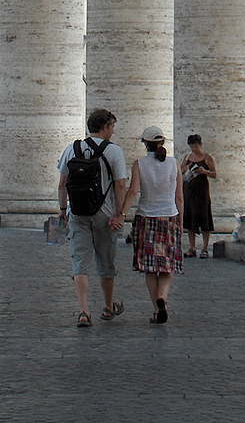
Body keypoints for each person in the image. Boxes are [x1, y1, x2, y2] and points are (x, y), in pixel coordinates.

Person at [57, 108, 126, 328]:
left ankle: (84, 311)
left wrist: (62, 209)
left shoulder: (72, 148)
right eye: (112, 127)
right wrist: (120, 214)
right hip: (105, 215)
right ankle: (107, 307)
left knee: (80, 264)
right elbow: (121, 185)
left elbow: (62, 184)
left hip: (77, 212)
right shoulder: (114, 152)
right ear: (105, 127)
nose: (113, 131)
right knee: (106, 261)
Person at [112, 126, 183, 325]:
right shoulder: (174, 163)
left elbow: (133, 192)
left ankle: (155, 308)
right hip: (169, 217)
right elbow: (179, 196)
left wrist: (122, 215)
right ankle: (163, 297)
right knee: (167, 265)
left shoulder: (139, 164)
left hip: (146, 218)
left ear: (145, 143)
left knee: (151, 268)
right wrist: (180, 222)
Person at [180, 133, 216, 258]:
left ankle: (204, 248)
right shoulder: (188, 156)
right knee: (190, 218)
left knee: (204, 217)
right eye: (192, 146)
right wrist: (185, 168)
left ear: (200, 145)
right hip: (189, 190)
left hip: (201, 191)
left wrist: (204, 171)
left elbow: (214, 173)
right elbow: (181, 170)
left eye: (196, 146)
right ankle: (192, 247)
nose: (194, 149)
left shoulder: (207, 157)